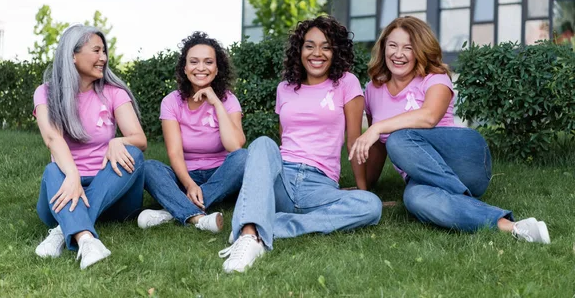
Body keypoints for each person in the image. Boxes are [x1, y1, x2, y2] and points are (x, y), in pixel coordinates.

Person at [349, 16, 550, 244]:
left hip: (465, 157)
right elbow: (377, 146)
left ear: (421, 50)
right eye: (392, 45)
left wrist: (377, 127)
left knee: (398, 138)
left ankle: (457, 197)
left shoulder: (435, 78)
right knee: (415, 199)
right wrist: (364, 188)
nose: (398, 54)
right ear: (383, 47)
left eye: (408, 47)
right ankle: (514, 227)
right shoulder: (374, 89)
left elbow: (429, 117)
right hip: (423, 176)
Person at [218, 15, 382, 273]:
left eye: (326, 46)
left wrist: (362, 190)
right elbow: (285, 138)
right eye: (310, 45)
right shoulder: (284, 87)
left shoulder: (346, 83)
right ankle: (250, 235)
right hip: (283, 177)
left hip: (320, 185)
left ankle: (269, 223)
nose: (317, 53)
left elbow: (354, 141)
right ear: (299, 49)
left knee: (371, 206)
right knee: (262, 143)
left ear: (335, 51)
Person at [33, 25, 147, 269]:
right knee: (54, 171)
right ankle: (86, 239)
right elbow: (53, 139)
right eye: (96, 50)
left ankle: (63, 229)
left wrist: (119, 141)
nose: (103, 58)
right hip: (64, 188)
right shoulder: (46, 92)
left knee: (134, 154)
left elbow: (139, 139)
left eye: (104, 51)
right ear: (72, 55)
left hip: (113, 194)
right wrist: (72, 174)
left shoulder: (114, 93)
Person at [137, 32, 247, 233]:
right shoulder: (171, 102)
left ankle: (172, 211)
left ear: (217, 68)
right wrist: (189, 184)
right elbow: (175, 154)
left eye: (208, 62)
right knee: (148, 168)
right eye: (194, 62)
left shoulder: (228, 99)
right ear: (185, 68)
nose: (201, 68)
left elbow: (235, 146)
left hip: (221, 176)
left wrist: (216, 102)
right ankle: (196, 215)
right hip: (185, 176)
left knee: (244, 158)